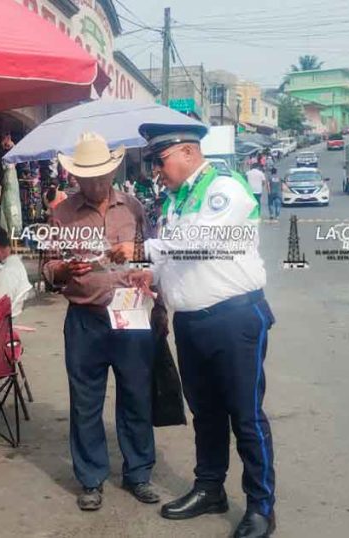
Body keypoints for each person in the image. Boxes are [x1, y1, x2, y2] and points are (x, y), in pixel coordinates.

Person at [130, 124, 277, 538]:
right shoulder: (176, 200)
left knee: (245, 416)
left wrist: (145, 250)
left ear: (188, 153)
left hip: (233, 319)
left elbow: (203, 242)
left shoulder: (224, 190)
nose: (156, 171)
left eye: (160, 161)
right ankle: (210, 487)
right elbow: (176, 255)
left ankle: (261, 506)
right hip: (191, 321)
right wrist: (151, 274)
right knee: (206, 414)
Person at [42, 132, 158, 512]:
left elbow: (150, 256)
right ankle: (91, 479)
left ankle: (139, 473)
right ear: (74, 177)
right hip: (85, 319)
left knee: (136, 396)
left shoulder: (135, 208)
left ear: (111, 172)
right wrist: (63, 269)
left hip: (130, 311)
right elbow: (46, 267)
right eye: (85, 178)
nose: (93, 184)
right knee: (85, 403)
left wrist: (143, 272)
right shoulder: (61, 214)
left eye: (99, 177)